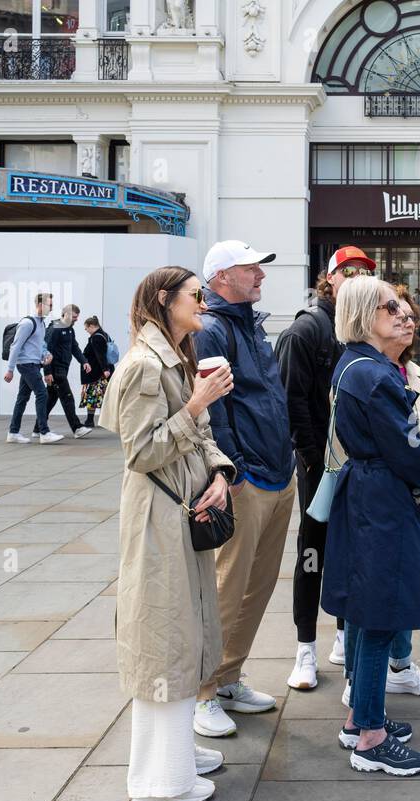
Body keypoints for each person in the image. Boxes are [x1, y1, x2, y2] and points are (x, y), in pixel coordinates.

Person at [99, 265, 236, 801]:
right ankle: (163, 779)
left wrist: (222, 475)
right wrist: (199, 402)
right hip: (159, 517)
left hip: (184, 513)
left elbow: (199, 438)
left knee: (186, 629)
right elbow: (141, 452)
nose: (203, 304)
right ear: (164, 300)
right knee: (164, 634)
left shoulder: (173, 358)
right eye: (195, 296)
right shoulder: (142, 366)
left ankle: (175, 751)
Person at [321, 276, 420, 775]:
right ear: (362, 315)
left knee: (367, 614)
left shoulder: (357, 365)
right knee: (377, 618)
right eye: (388, 307)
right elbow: (407, 446)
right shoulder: (372, 373)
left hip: (370, 495)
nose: (401, 313)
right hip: (384, 500)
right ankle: (369, 738)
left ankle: (360, 719)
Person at [190, 240, 296, 737]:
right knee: (225, 589)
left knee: (258, 584)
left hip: (278, 472)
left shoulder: (250, 325)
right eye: (251, 268)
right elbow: (214, 411)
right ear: (222, 277)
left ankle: (229, 676)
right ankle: (203, 691)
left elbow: (268, 397)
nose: (261, 275)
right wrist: (234, 471)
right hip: (248, 478)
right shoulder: (211, 330)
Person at [275, 246, 373, 675]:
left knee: (351, 549)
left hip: (358, 462)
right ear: (328, 278)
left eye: (363, 271)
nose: (354, 277)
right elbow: (291, 401)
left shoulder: (364, 328)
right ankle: (305, 648)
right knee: (312, 550)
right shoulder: (306, 331)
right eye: (346, 271)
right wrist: (313, 461)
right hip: (320, 463)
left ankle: (342, 635)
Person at [5, 292, 62, 444]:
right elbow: (15, 347)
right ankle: (44, 432)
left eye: (51, 305)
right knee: (42, 394)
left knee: (22, 398)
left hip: (34, 364)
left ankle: (13, 432)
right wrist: (10, 369)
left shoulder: (41, 323)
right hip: (26, 365)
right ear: (39, 305)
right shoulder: (27, 323)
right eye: (49, 305)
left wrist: (46, 354)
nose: (51, 308)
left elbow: (39, 345)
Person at [44, 304, 94, 439]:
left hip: (63, 368)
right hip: (55, 369)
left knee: (51, 399)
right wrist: (47, 372)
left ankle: (39, 427)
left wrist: (84, 361)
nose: (76, 320)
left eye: (77, 317)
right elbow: (46, 350)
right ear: (65, 314)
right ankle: (77, 428)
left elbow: (74, 347)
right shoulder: (55, 328)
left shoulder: (69, 329)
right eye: (74, 317)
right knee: (67, 398)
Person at [79, 316, 115, 429]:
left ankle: (90, 420)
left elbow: (100, 355)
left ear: (91, 326)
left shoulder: (96, 338)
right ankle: (97, 420)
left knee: (92, 396)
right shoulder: (104, 335)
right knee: (102, 396)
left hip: (97, 373)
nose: (86, 331)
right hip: (102, 371)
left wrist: (105, 369)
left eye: (86, 329)